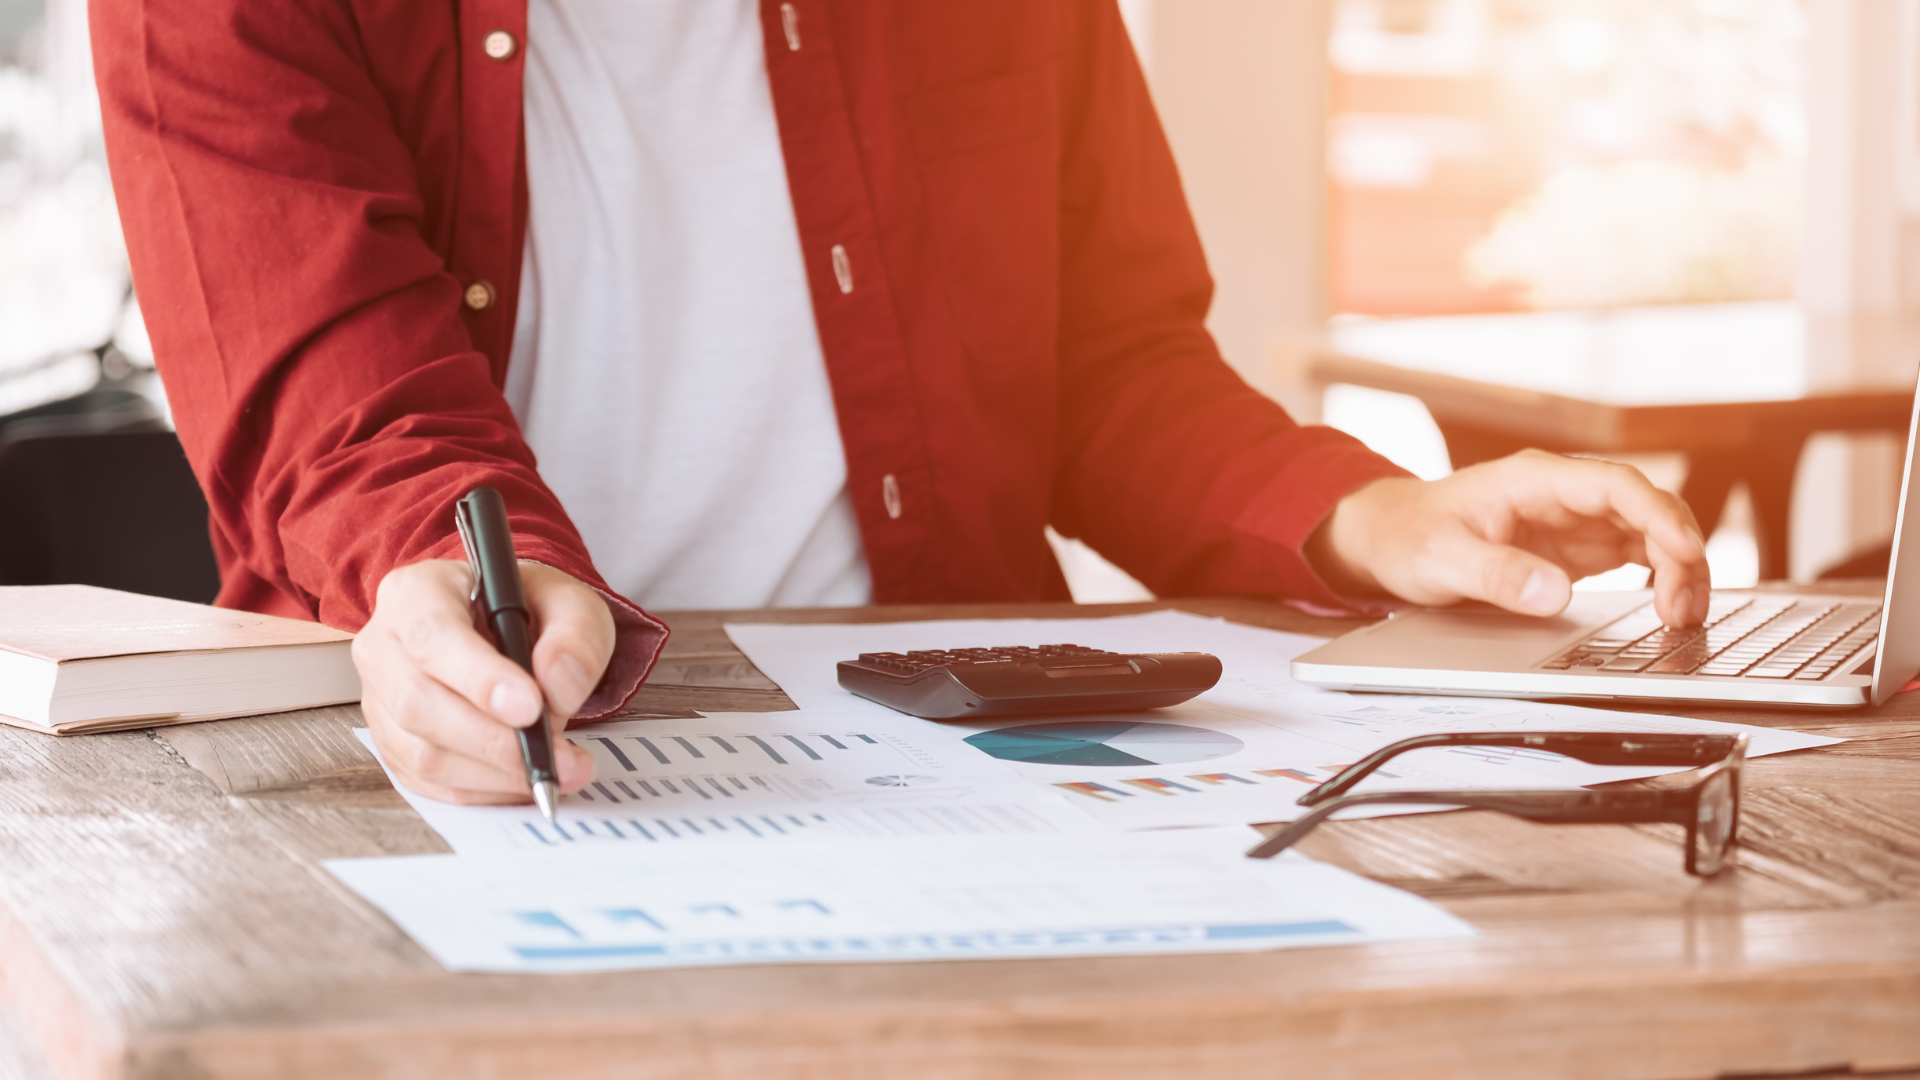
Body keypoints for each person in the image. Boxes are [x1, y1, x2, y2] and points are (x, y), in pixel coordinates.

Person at [92, 0, 1710, 809]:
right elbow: (344, 420)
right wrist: (456, 580)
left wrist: (1364, 513)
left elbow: (1106, 366)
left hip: (978, 766)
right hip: (468, 764)